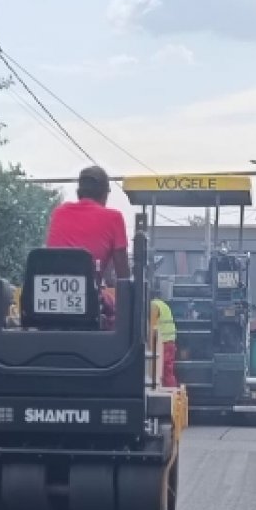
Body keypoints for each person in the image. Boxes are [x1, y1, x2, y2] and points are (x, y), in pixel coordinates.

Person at [45, 166, 131, 326]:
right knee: (112, 310)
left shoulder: (58, 213)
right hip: (88, 305)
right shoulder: (114, 218)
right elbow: (123, 277)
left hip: (50, 306)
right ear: (105, 193)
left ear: (80, 192)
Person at [150, 296, 178, 387]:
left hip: (162, 344)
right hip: (170, 342)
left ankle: (166, 394)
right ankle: (172, 393)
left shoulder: (154, 305)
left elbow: (152, 326)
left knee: (160, 372)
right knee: (168, 372)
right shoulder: (164, 305)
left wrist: (150, 344)